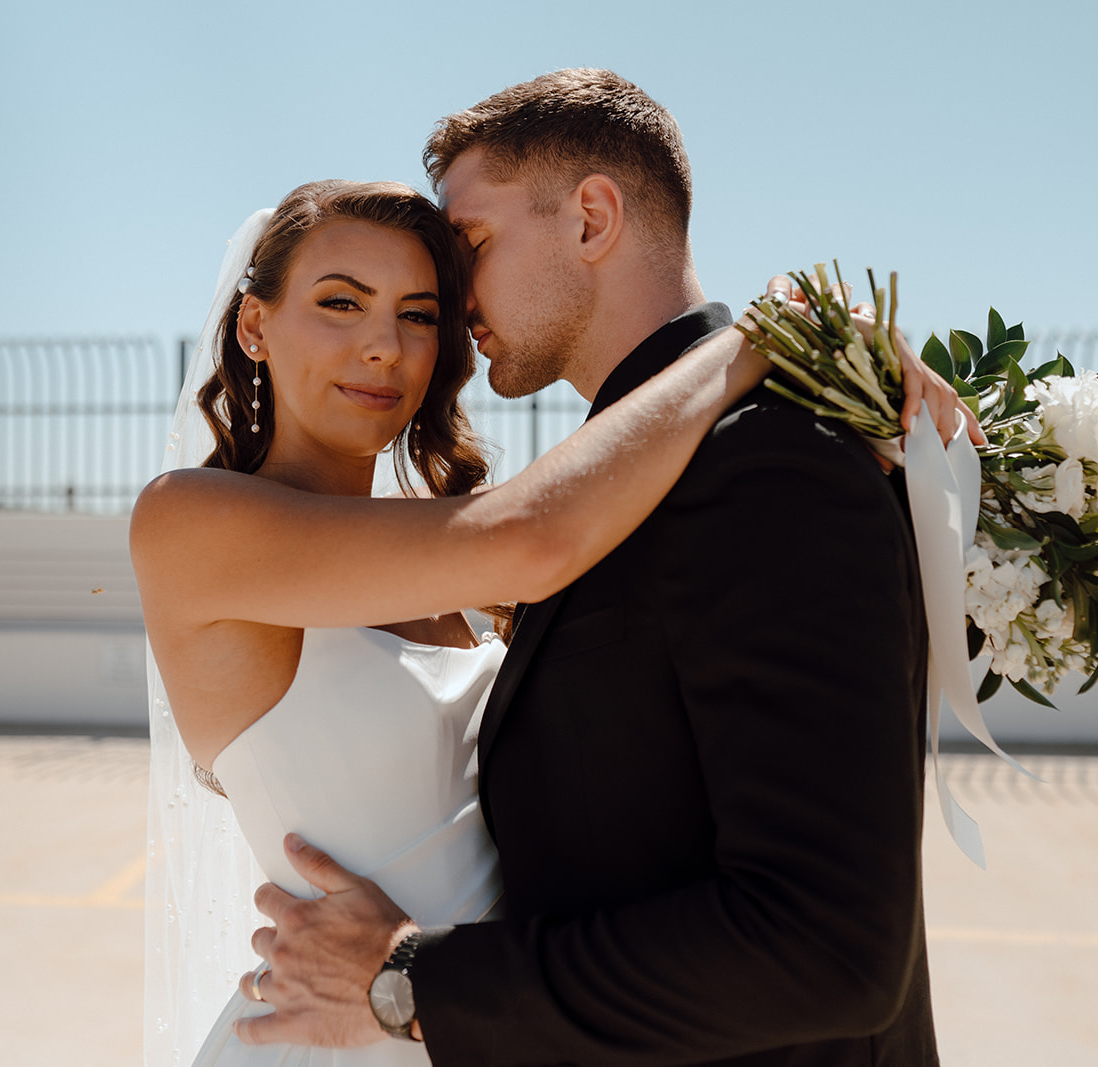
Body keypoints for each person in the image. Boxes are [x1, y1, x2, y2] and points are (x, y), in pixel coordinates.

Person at [232, 71, 987, 1066]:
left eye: (471, 249)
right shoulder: (623, 484)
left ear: (591, 217)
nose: (451, 306)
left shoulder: (761, 462)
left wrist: (411, 977)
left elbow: (829, 947)